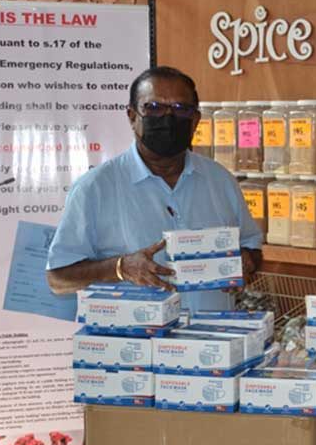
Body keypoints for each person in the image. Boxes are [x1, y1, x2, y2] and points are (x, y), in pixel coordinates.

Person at [46, 66, 262, 310]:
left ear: (195, 120)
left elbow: (251, 247)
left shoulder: (220, 180)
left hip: (212, 343)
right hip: (135, 344)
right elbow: (58, 278)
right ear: (131, 116)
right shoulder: (95, 188)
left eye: (181, 109)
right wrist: (120, 268)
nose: (168, 118)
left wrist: (247, 261)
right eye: (154, 107)